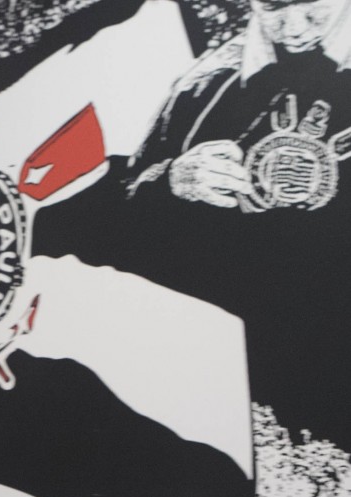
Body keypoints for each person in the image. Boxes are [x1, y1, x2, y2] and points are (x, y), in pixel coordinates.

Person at [32, 0, 351, 455]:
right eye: (274, 9)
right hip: (217, 400)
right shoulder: (207, 83)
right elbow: (106, 229)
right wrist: (168, 181)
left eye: (311, 8)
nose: (293, 28)